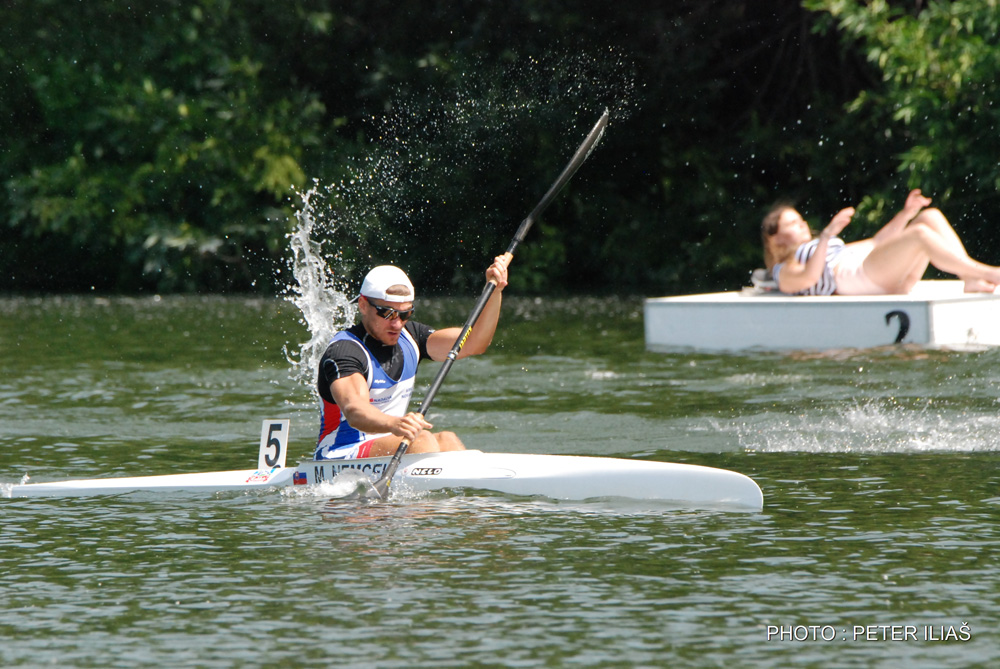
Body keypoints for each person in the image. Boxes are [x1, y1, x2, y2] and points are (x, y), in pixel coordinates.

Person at [315, 258, 509, 460]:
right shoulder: (345, 351)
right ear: (363, 305)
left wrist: (495, 291)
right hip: (341, 452)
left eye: (405, 314)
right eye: (388, 313)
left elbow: (474, 343)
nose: (397, 324)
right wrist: (394, 423)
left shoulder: (411, 337)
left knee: (447, 439)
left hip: (393, 443)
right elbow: (355, 410)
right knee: (422, 440)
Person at [761, 188, 1000, 296]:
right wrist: (826, 235)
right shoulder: (783, 269)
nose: (802, 224)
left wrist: (907, 213)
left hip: (876, 273)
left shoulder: (823, 249)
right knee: (919, 235)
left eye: (800, 219)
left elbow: (877, 242)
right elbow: (809, 278)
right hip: (863, 278)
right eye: (792, 224)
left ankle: (970, 278)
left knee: (929, 217)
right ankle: (990, 273)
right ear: (776, 239)